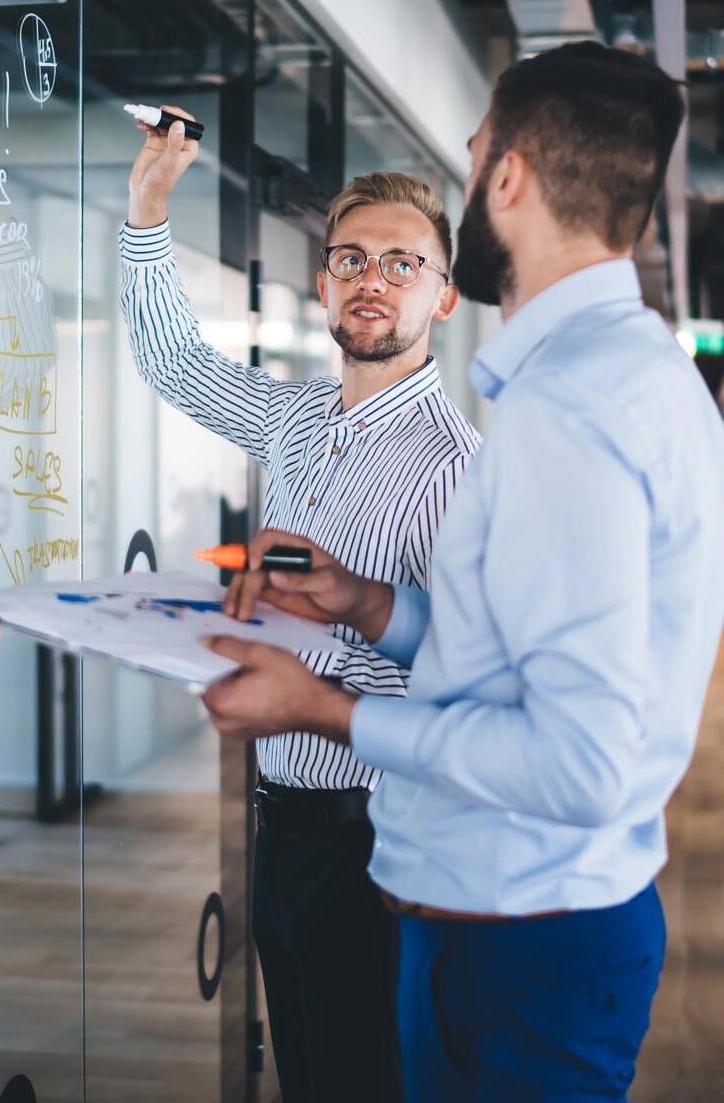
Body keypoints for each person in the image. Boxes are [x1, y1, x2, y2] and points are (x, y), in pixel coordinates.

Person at [197, 42, 724, 1101]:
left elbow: (577, 761)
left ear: (510, 180)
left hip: (520, 948)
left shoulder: (566, 411)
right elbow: (514, 655)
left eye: (478, 152)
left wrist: (326, 709)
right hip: (531, 929)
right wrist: (366, 602)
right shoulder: (632, 374)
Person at [119, 106, 480, 1102]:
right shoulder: (296, 416)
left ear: (444, 297)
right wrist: (149, 207)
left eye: (404, 264)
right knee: (308, 1077)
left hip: (383, 827)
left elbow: (469, 669)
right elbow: (172, 363)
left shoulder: (459, 470)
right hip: (281, 813)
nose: (374, 278)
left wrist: (340, 633)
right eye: (352, 258)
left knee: (365, 1077)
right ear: (322, 284)